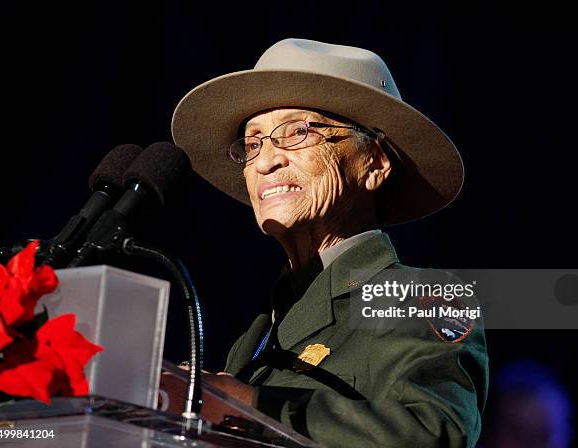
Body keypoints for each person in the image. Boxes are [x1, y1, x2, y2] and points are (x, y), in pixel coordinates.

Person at [171, 38, 488, 448]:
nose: (265, 161)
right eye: (253, 144)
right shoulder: (262, 329)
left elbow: (434, 432)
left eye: (297, 133)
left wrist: (249, 404)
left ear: (373, 164)